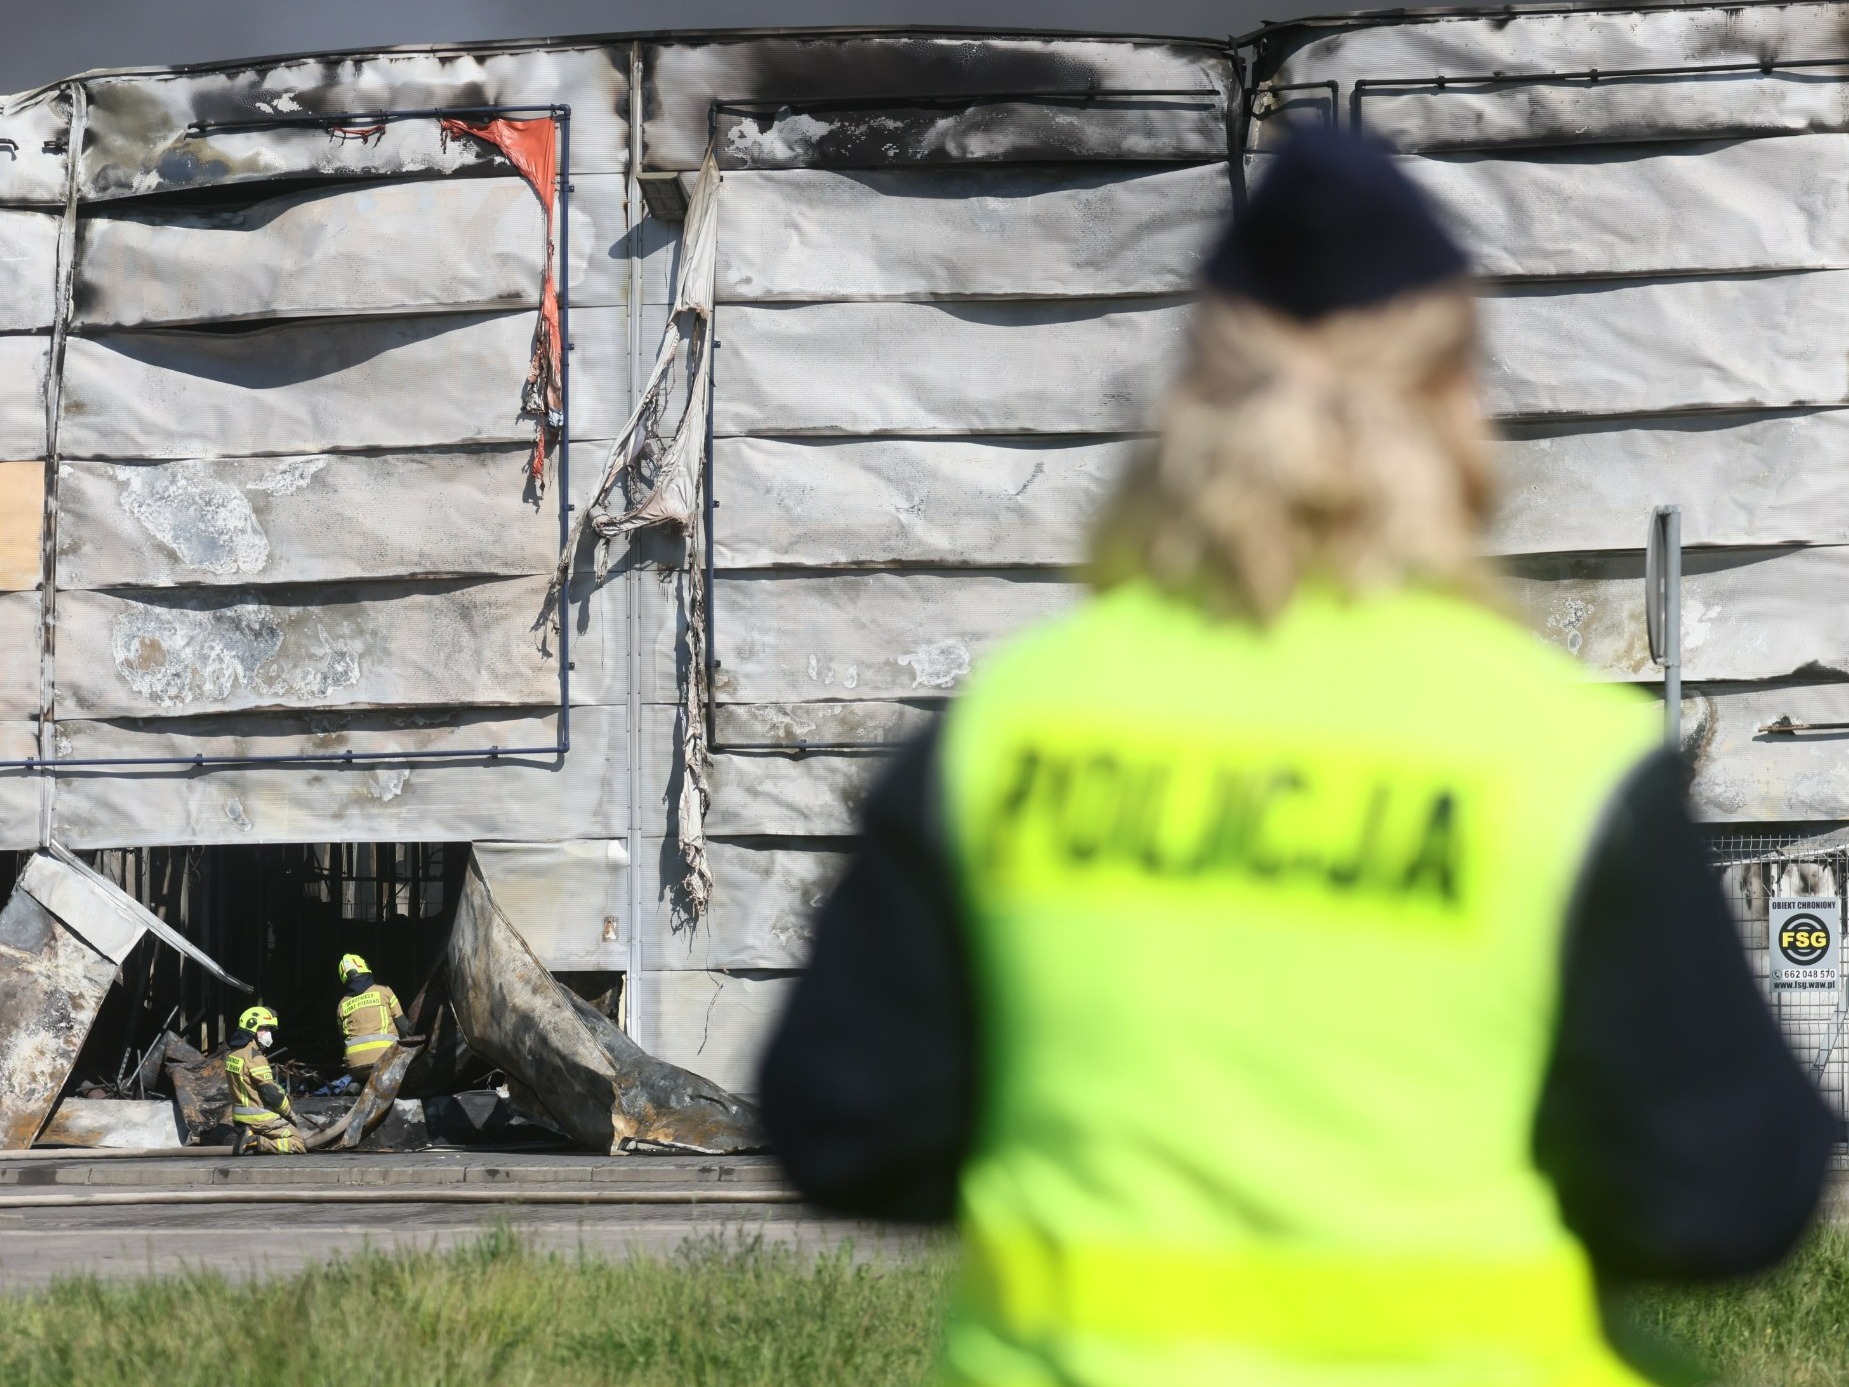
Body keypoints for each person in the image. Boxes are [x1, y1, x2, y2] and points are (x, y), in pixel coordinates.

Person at [759, 128, 1833, 1387]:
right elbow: (1730, 1198)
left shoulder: (1006, 732)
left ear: (1186, 402)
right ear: (1454, 401)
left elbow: (840, 1127)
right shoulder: (1564, 760)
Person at [225, 1005, 303, 1155]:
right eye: (264, 1029)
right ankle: (255, 1142)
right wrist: (289, 1113)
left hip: (240, 1119)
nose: (268, 1034)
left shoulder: (233, 1055)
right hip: (260, 1118)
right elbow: (271, 1093)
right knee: (298, 1142)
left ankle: (250, 1139)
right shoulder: (255, 1057)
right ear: (252, 1029)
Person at [334, 953, 413, 1083]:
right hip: (386, 1061)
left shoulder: (342, 1004)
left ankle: (358, 1084)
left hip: (355, 1067)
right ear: (365, 968)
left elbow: (342, 1041)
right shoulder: (385, 992)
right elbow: (404, 1028)